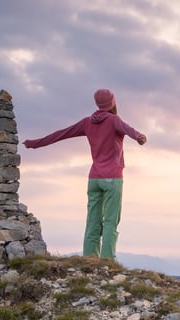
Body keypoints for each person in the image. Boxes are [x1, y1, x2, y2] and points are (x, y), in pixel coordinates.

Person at [24, 88, 147, 259]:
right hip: (112, 179)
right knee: (111, 220)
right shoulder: (114, 120)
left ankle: (90, 258)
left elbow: (61, 134)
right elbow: (129, 129)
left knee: (92, 221)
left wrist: (34, 143)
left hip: (94, 179)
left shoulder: (87, 122)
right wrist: (140, 137)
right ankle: (107, 260)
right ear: (112, 102)